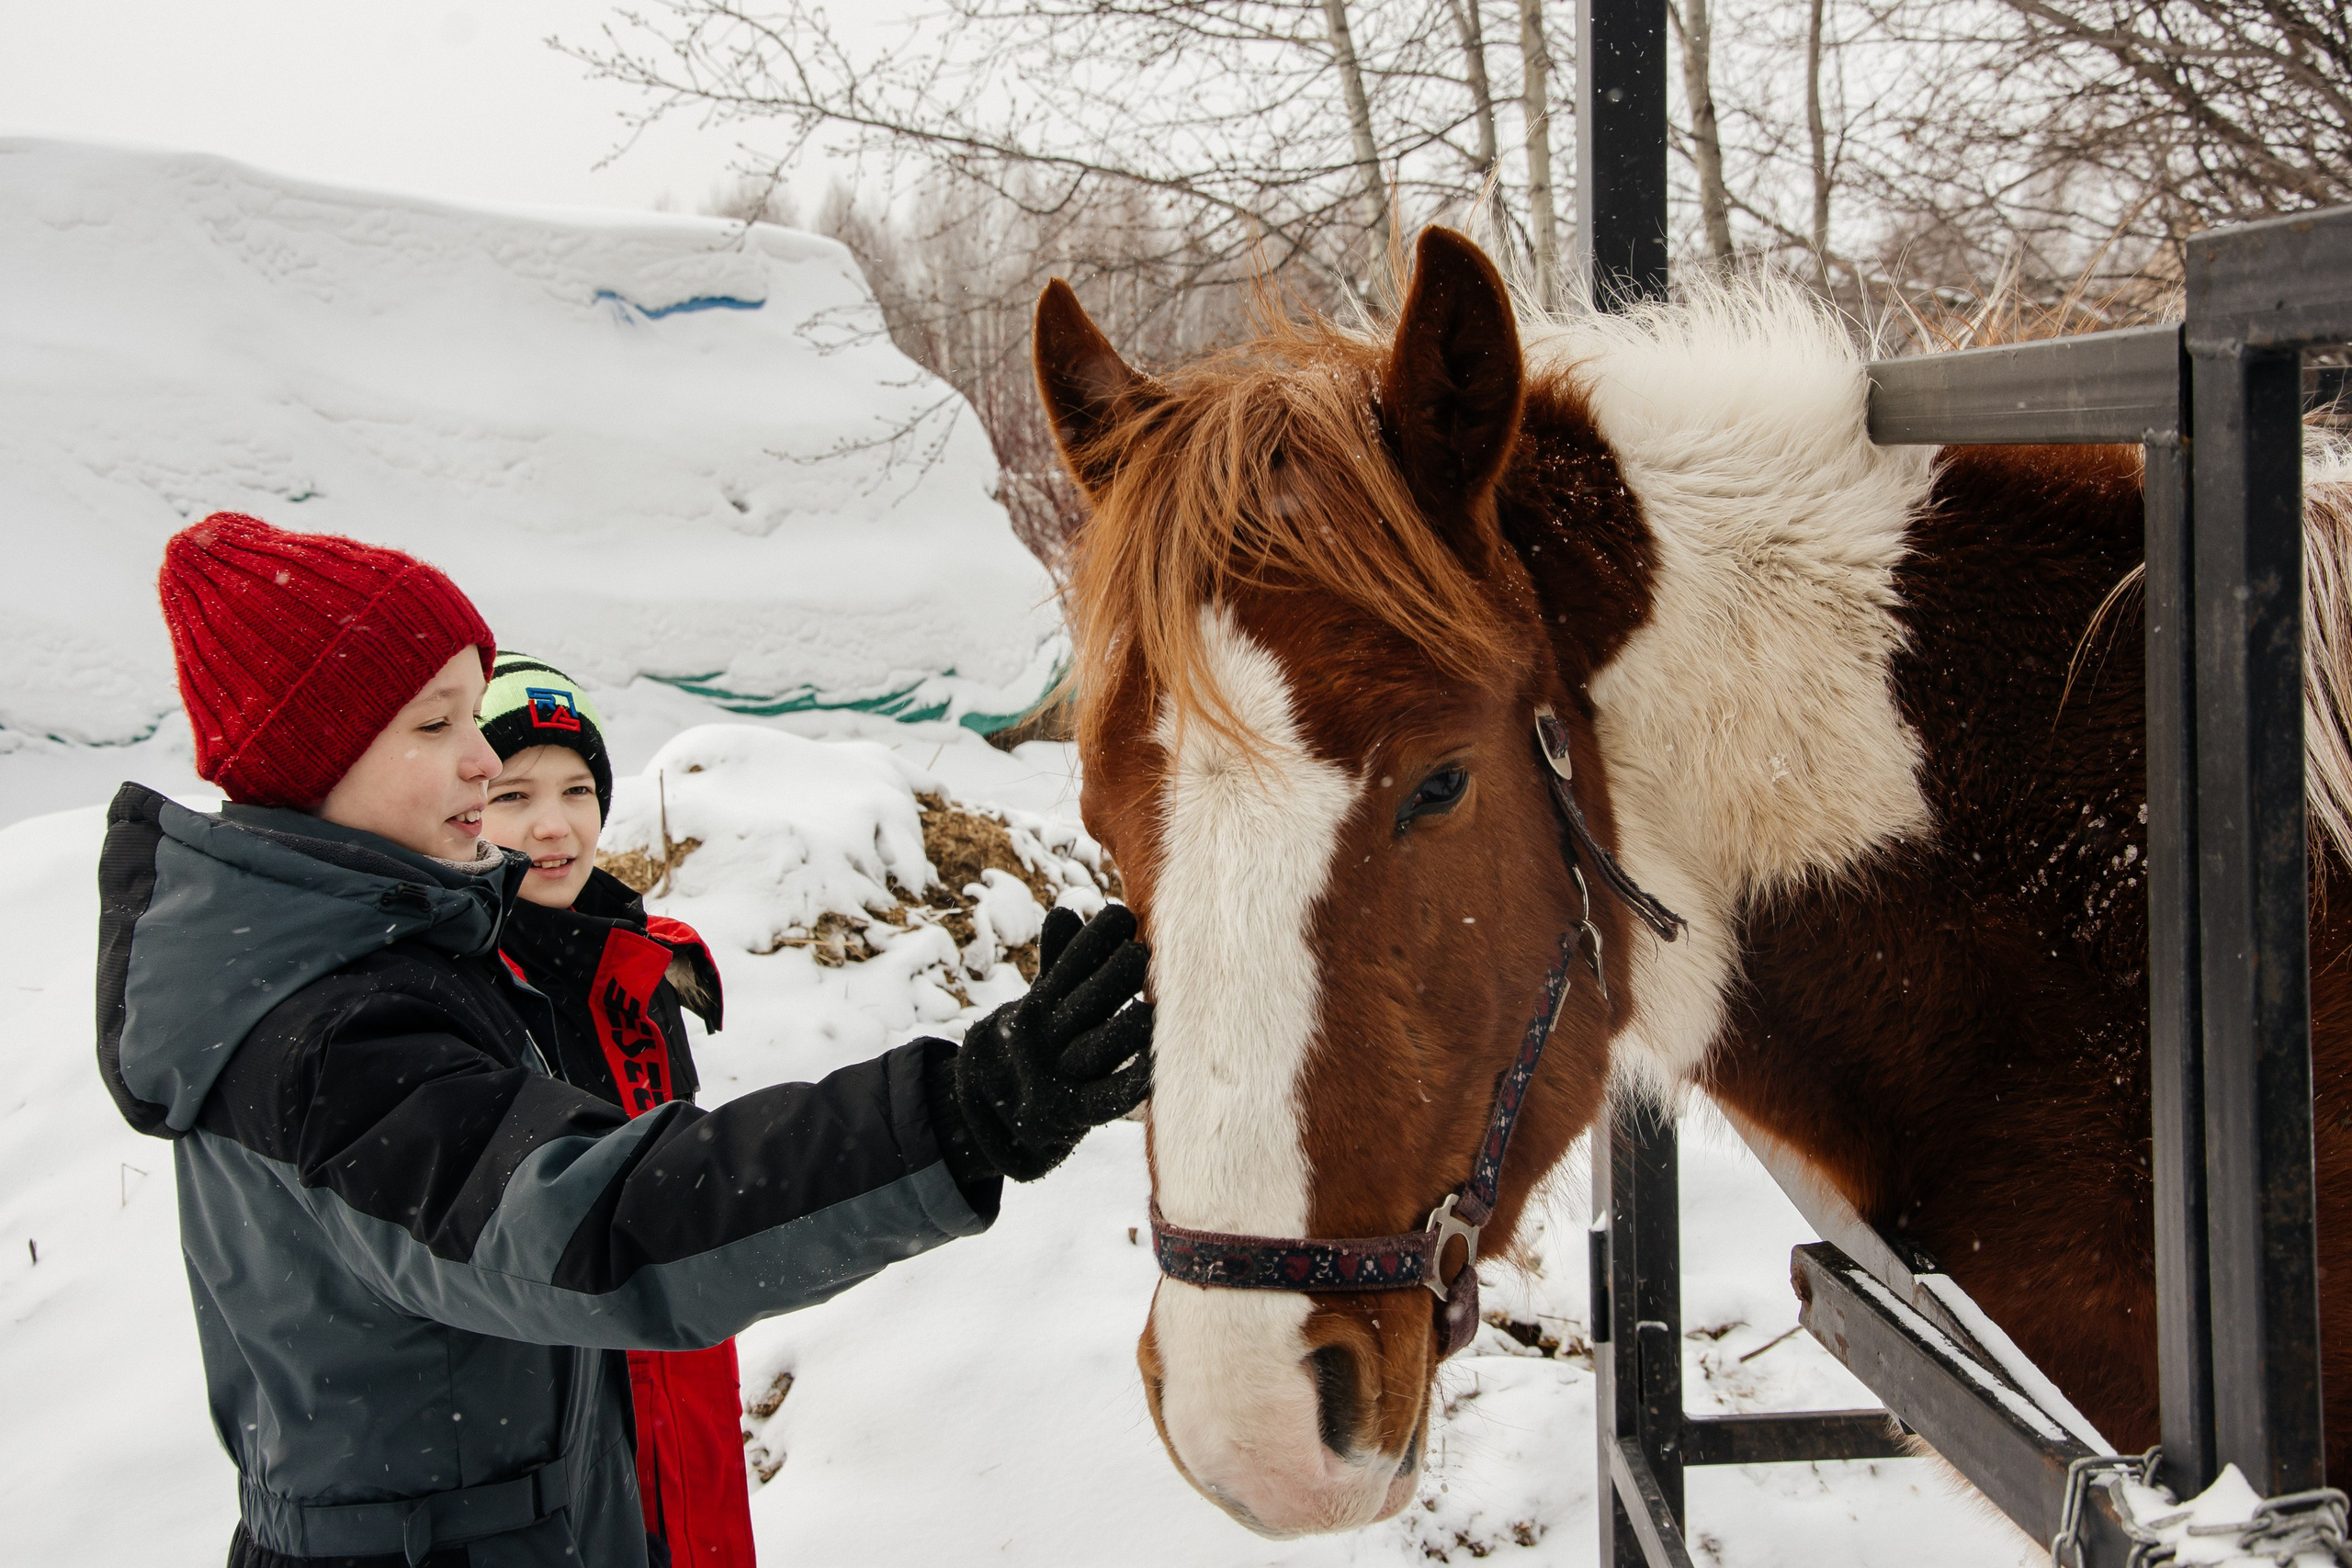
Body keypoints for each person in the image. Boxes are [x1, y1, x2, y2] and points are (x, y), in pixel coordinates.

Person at [96, 513, 1153, 1568]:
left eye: (476, 714)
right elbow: (596, 1222)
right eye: (435, 727)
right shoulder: (325, 1033)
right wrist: (957, 1114)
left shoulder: (386, 960)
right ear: (313, 759)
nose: (480, 759)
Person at [477, 654, 750, 1567]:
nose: (555, 827)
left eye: (578, 789)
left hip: (678, 1399)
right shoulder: (457, 991)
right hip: (557, 1445)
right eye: (514, 795)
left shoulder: (637, 972)